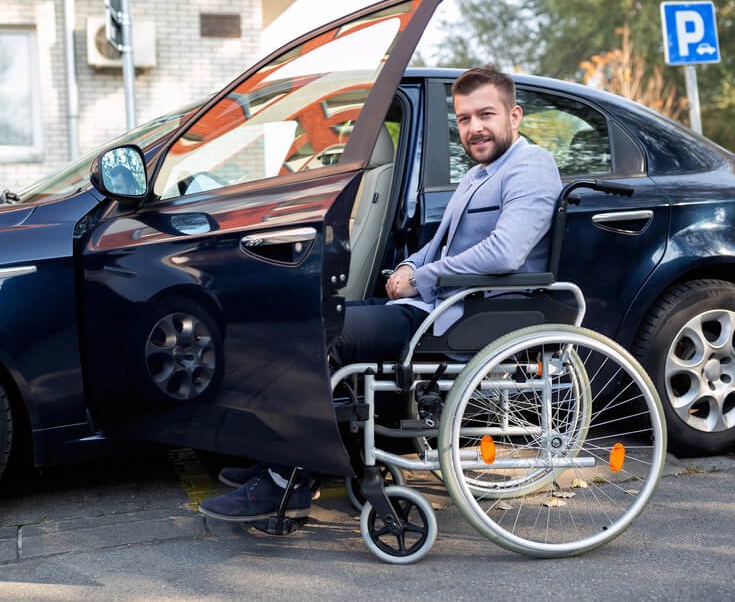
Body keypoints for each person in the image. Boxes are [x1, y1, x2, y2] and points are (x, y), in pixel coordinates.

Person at [198, 65, 563, 523]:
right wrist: (411, 264)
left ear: (515, 115)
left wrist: (424, 278)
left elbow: (505, 252)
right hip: (432, 306)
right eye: (465, 119)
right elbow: (442, 243)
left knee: (320, 335)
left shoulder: (532, 166)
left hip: (464, 316)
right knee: (305, 318)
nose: (474, 128)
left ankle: (285, 482)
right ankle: (288, 459)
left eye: (485, 115)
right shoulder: (477, 174)